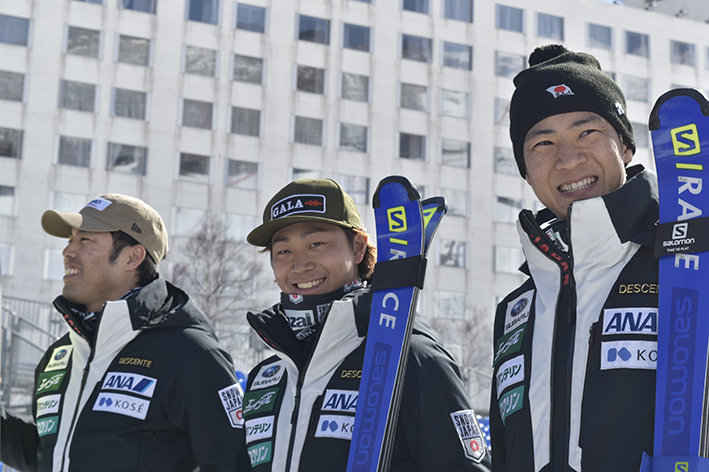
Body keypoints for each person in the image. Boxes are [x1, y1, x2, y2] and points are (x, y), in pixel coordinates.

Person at [236, 178, 491, 471]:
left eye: (316, 244)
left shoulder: (408, 356)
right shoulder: (267, 379)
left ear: (358, 248)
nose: (299, 264)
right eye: (283, 251)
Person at [489, 44, 658, 472]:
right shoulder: (516, 311)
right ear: (526, 171)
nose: (568, 159)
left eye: (587, 133)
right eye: (543, 143)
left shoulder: (688, 263)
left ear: (624, 147)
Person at [0, 194, 244, 471]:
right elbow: (49, 456)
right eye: (70, 239)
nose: (67, 251)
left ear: (132, 257)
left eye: (85, 240)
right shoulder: (61, 353)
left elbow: (232, 463)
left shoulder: (191, 353)